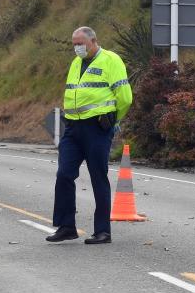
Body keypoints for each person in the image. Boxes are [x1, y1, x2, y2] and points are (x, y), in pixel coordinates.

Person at [46, 27, 132, 245]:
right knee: (64, 175)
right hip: (73, 129)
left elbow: (125, 97)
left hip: (97, 128)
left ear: (94, 41)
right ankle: (66, 227)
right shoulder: (76, 63)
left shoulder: (111, 60)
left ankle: (102, 231)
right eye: (74, 44)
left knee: (98, 177)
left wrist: (113, 120)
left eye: (81, 43)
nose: (77, 48)